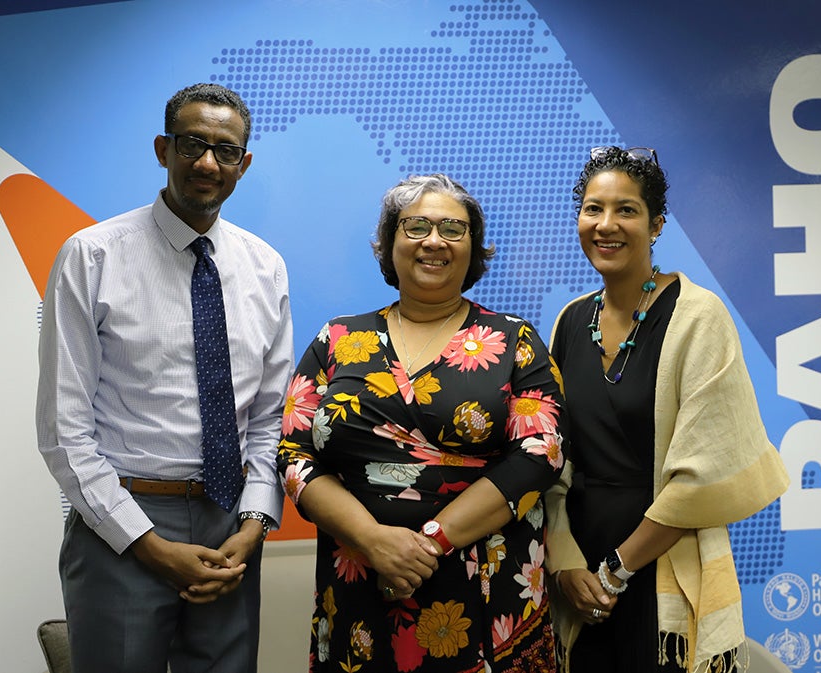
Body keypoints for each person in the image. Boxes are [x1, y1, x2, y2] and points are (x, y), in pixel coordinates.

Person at [36, 82, 294, 673]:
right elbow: (63, 430)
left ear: (243, 164)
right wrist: (146, 543)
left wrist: (254, 523)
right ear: (163, 149)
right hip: (123, 525)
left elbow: (269, 417)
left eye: (225, 150)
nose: (207, 163)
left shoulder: (266, 267)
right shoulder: (92, 255)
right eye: (192, 144)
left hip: (230, 525)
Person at [277, 174, 566, 673]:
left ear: (473, 249)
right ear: (390, 244)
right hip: (360, 585)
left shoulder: (514, 340)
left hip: (487, 586)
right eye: (416, 226)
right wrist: (374, 541)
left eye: (453, 229)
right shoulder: (337, 339)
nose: (435, 241)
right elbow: (294, 454)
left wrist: (428, 544)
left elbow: (542, 452)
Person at [544, 146, 789, 673]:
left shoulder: (698, 317)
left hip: (660, 568)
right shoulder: (570, 321)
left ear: (656, 225)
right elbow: (552, 461)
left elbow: (703, 475)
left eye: (626, 210)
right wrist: (565, 566)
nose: (606, 225)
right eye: (593, 209)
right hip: (579, 576)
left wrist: (616, 571)